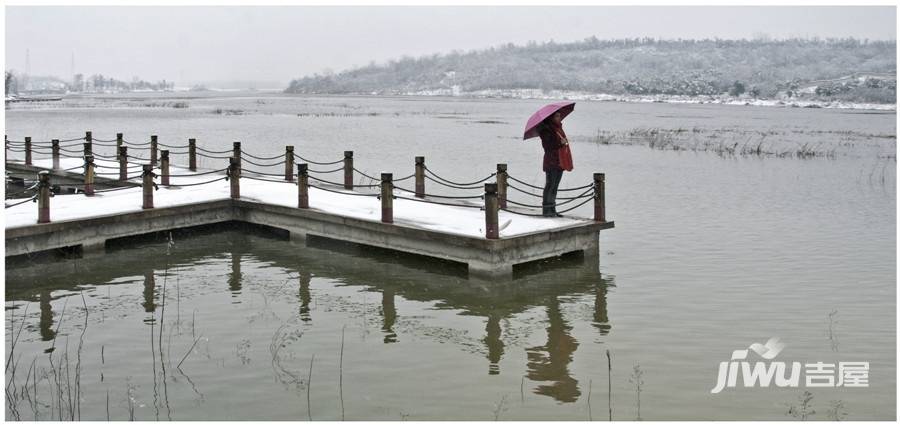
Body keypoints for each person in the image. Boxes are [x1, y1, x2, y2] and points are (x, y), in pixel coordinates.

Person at [538, 111, 569, 217]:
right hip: (550, 161)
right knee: (550, 185)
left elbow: (561, 143)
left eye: (560, 116)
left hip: (559, 161)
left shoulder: (558, 128)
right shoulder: (545, 129)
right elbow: (547, 146)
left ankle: (552, 209)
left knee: (555, 186)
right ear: (551, 117)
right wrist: (559, 143)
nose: (559, 118)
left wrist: (563, 142)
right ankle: (546, 210)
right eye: (556, 116)